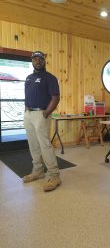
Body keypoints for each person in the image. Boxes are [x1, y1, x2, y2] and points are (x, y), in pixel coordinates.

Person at [23, 51, 61, 192]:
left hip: (41, 114)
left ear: (44, 60)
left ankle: (54, 175)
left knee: (45, 145)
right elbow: (27, 95)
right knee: (33, 144)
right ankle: (38, 171)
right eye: (34, 59)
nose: (37, 61)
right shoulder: (28, 78)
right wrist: (26, 110)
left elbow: (55, 98)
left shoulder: (50, 78)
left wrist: (46, 113)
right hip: (28, 114)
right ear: (32, 61)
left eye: (39, 59)